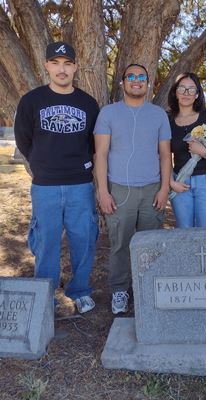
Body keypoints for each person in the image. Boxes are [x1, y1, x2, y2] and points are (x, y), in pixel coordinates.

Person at [14, 42, 100, 314]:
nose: (61, 69)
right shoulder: (32, 100)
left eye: (67, 63)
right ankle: (46, 294)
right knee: (46, 240)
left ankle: (80, 290)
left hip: (80, 183)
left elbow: (94, 143)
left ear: (75, 67)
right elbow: (23, 139)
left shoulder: (87, 103)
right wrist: (41, 163)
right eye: (55, 63)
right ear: (47, 65)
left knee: (83, 238)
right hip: (45, 185)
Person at [94, 63, 171, 314]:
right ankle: (119, 291)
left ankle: (147, 288)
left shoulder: (158, 114)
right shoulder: (108, 113)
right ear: (123, 82)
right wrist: (103, 191)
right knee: (120, 244)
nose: (136, 80)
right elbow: (101, 154)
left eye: (141, 77)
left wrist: (163, 189)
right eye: (131, 77)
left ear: (148, 84)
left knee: (151, 243)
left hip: (151, 190)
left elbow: (164, 155)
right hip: (119, 190)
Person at [168, 72, 206, 228]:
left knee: (205, 232)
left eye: (191, 89)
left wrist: (202, 151)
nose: (186, 93)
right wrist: (171, 181)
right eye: (182, 88)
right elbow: (162, 155)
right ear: (175, 92)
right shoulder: (167, 120)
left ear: (197, 94)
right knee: (184, 233)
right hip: (180, 182)